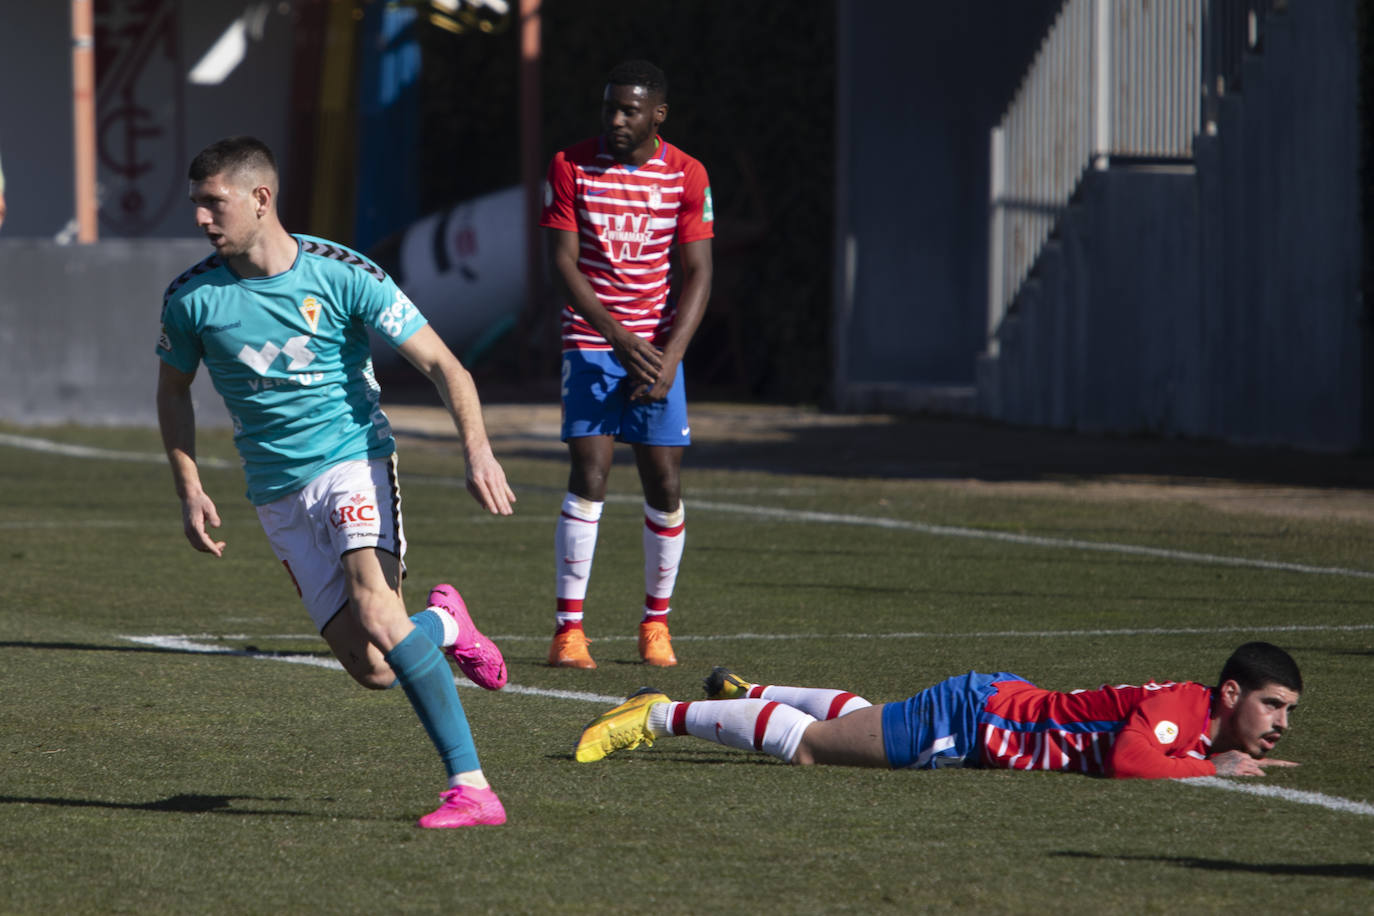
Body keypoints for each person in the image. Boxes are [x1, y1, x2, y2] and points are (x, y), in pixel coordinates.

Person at [156, 136, 517, 828]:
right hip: (276, 495)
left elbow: (446, 365)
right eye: (196, 204)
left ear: (262, 199)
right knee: (375, 669)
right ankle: (445, 622)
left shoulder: (344, 273)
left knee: (377, 608)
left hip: (354, 459)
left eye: (213, 202)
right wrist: (189, 484)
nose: (201, 218)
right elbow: (173, 393)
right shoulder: (191, 301)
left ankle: (472, 788)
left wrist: (478, 451)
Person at [538, 59, 714, 669]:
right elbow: (563, 263)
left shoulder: (688, 175)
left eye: (628, 110)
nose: (615, 119)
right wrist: (614, 334)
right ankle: (569, 632)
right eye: (609, 107)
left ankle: (655, 626)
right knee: (590, 469)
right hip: (592, 339)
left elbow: (699, 274)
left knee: (664, 483)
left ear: (656, 115)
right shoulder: (569, 165)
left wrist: (670, 358)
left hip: (658, 350)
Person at [575, 642, 1302, 779]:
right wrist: (1210, 770)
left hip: (992, 707)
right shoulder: (1184, 707)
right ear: (1231, 694)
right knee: (812, 749)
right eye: (1272, 705)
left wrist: (1209, 756)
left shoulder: (1190, 715)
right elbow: (1128, 759)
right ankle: (656, 714)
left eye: (1288, 712)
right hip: (977, 720)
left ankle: (750, 696)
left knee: (864, 716)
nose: (1279, 723)